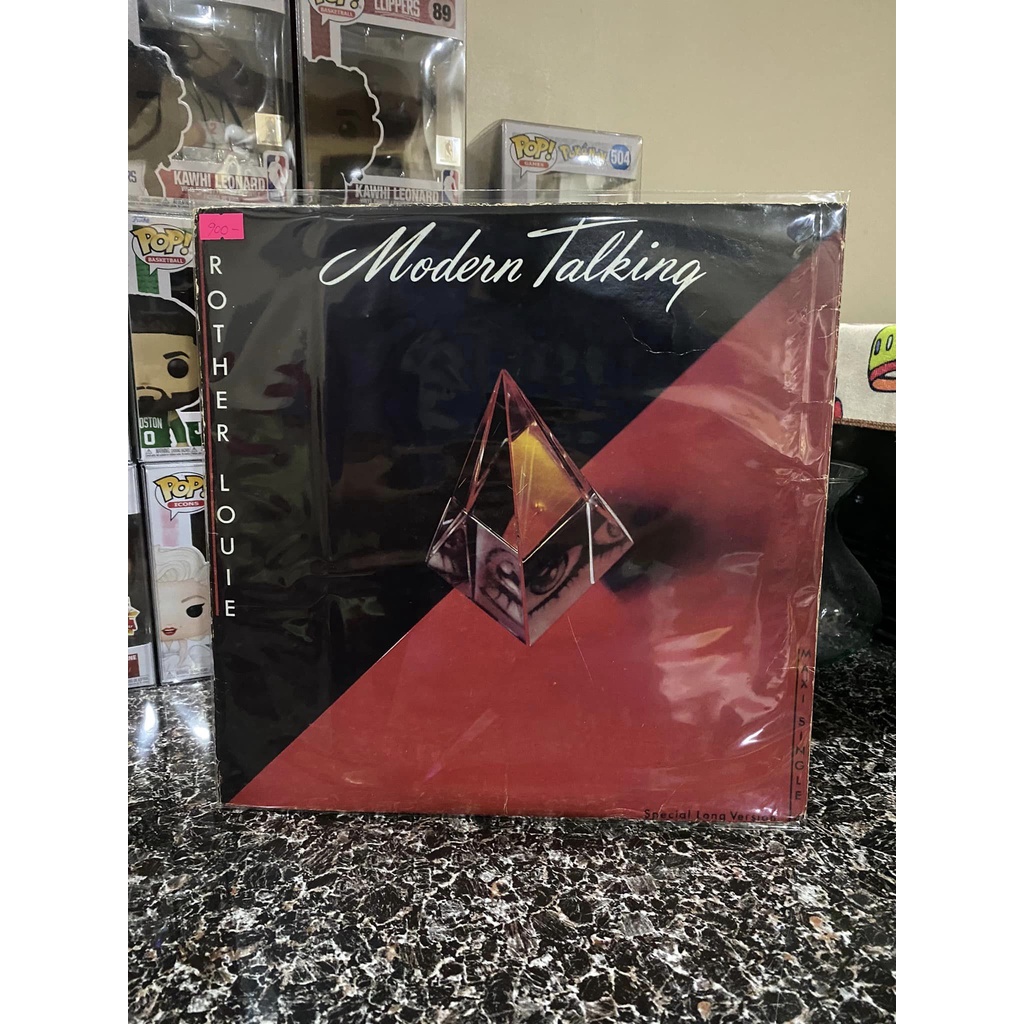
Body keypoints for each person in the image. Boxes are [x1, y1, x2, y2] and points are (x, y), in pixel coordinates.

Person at [129, 295, 203, 451]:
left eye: (177, 368)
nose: (145, 381)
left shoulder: (168, 412)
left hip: (162, 454)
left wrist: (182, 444)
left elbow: (177, 427)